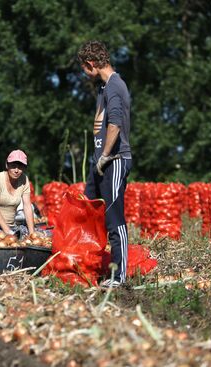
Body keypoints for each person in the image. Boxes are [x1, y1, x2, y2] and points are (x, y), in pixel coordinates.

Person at [77, 41, 132, 288]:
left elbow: (115, 124)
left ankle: (119, 276)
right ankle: (86, 265)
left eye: (83, 68)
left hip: (114, 160)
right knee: (88, 212)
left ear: (91, 65)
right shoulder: (103, 87)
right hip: (98, 163)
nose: (84, 73)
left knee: (113, 218)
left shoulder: (114, 86)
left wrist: (105, 155)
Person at [0, 150, 35, 237]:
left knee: (42, 233)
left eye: (20, 167)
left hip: (11, 226)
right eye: (13, 166)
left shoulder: (24, 179)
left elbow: (27, 206)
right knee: (7, 239)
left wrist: (32, 234)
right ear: (7, 165)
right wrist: (8, 232)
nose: (16, 170)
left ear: (24, 168)